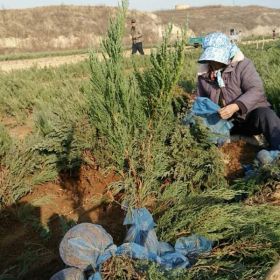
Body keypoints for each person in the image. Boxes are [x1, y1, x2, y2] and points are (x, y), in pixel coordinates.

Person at [197, 32, 280, 150]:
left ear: (227, 53)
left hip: (250, 117)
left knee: (267, 115)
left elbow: (256, 90)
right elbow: (202, 102)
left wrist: (235, 106)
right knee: (203, 129)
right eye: (211, 58)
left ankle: (277, 152)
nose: (214, 62)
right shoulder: (204, 75)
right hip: (226, 123)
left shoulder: (243, 65)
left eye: (217, 58)